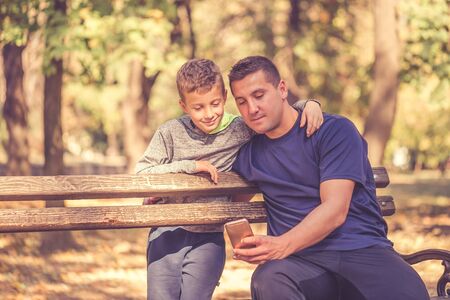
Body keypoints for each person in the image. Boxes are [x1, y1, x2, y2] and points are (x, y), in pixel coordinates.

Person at [229, 56, 429, 300]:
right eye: (242, 102)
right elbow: (230, 201)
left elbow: (335, 210)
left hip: (361, 251)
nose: (252, 108)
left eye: (259, 95)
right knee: (269, 278)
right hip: (300, 263)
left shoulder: (334, 131)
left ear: (282, 89)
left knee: (407, 292)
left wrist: (280, 245)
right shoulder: (250, 154)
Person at [135, 58, 324, 300]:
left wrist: (309, 104)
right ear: (184, 106)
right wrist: (189, 167)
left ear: (225, 97)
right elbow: (142, 174)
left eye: (215, 104)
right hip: (166, 231)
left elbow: (278, 112)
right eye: (198, 107)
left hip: (209, 235)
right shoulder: (170, 132)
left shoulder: (241, 129)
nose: (209, 114)